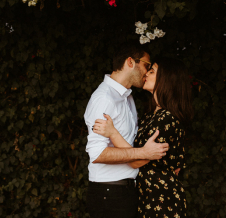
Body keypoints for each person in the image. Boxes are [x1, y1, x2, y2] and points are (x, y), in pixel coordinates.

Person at [93, 57, 194, 218]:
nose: (146, 73)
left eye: (152, 71)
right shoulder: (151, 116)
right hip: (147, 197)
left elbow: (136, 161)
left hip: (161, 201)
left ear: (165, 80)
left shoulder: (166, 119)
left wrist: (113, 133)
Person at [83, 44, 171, 218]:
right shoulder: (105, 98)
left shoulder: (126, 96)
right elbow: (97, 154)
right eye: (147, 65)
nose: (147, 72)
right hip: (109, 193)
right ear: (130, 62)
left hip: (124, 191)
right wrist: (144, 153)